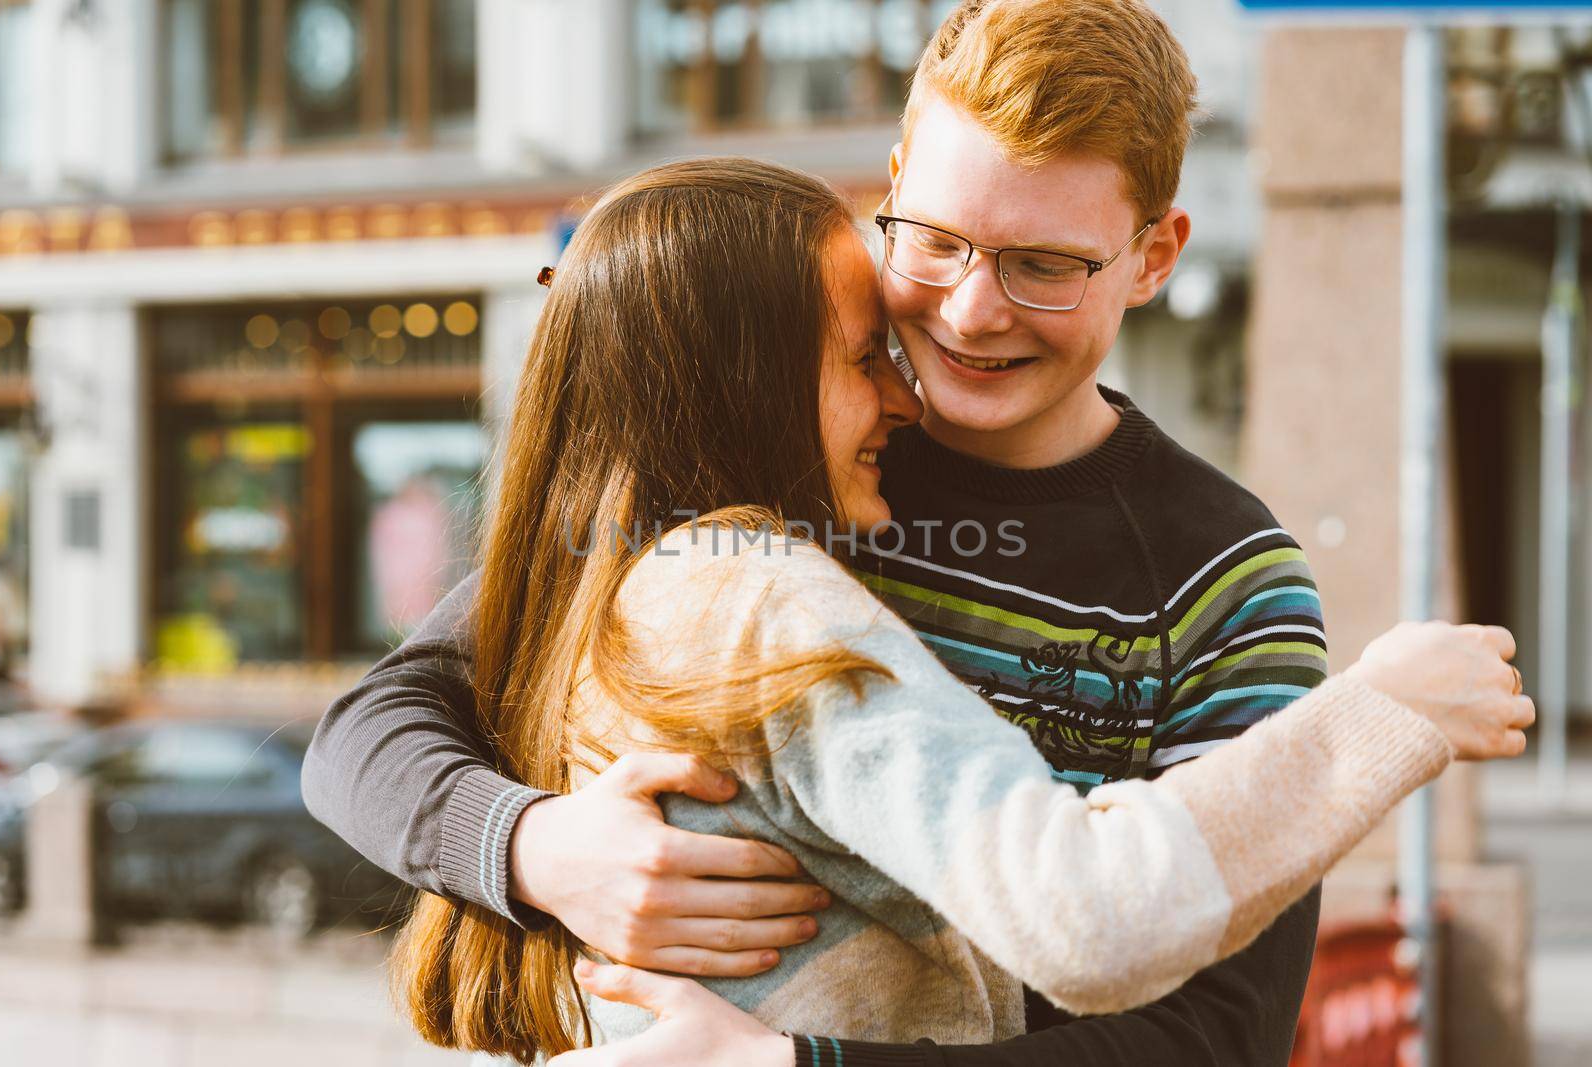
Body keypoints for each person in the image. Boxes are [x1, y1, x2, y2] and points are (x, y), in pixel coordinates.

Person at [303, 3, 1529, 1065]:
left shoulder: (1223, 575)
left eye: (1043, 263)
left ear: (1152, 256)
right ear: (889, 185)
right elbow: (375, 724)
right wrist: (539, 846)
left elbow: (1214, 1035)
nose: (967, 310)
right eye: (936, 239)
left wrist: (803, 1061)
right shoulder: (766, 469)